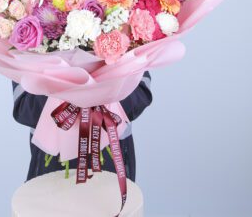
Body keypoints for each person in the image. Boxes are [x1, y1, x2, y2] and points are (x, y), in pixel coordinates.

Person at [12, 71, 152, 182]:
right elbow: (25, 108)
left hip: (112, 156)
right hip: (51, 160)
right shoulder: (26, 45)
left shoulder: (128, 39)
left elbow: (140, 95)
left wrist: (96, 95)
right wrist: (72, 93)